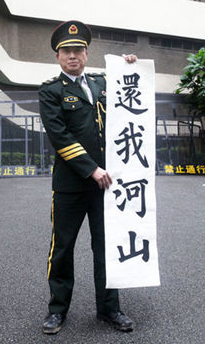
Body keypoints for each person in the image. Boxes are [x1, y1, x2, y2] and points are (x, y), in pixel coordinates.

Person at [38, 20, 137, 335]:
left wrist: (130, 67)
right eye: (66, 51)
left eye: (78, 50)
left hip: (106, 185)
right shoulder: (51, 91)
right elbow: (60, 136)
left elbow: (131, 98)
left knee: (106, 247)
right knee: (63, 248)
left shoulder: (103, 83)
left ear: (86, 53)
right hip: (71, 185)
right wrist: (91, 169)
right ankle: (57, 310)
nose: (72, 56)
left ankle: (110, 309)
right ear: (58, 56)